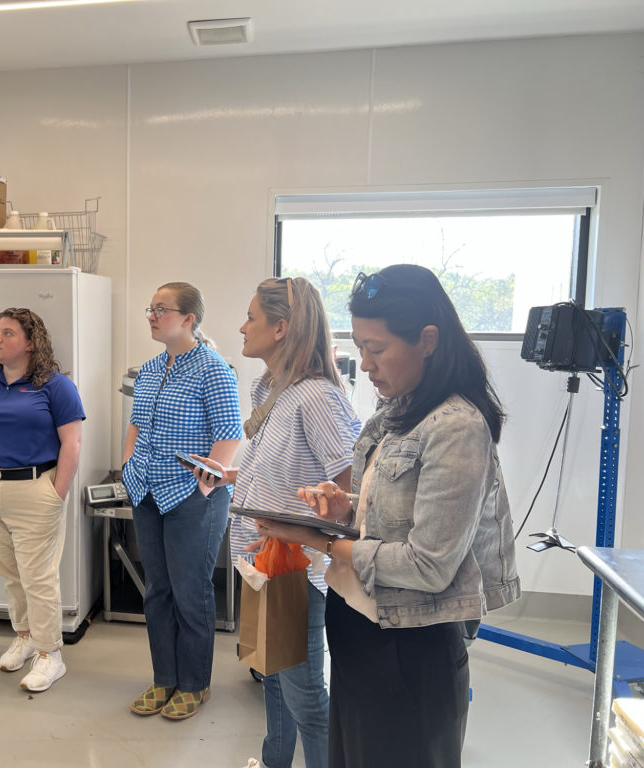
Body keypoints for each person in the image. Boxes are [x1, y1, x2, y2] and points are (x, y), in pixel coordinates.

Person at [255, 265, 521, 767]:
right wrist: (345, 510)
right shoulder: (395, 413)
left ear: (427, 340)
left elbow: (430, 563)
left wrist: (321, 540)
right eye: (359, 347)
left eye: (377, 349)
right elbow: (396, 510)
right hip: (359, 625)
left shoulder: (457, 426)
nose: (366, 364)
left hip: (411, 645)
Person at [194, 277, 360, 768]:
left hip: (295, 566)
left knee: (305, 693)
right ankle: (274, 761)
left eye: (251, 318)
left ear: (281, 327)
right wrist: (235, 476)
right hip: (261, 561)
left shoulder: (317, 397)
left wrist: (308, 527)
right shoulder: (273, 388)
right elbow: (288, 465)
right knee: (271, 672)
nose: (242, 327)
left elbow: (347, 492)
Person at [122, 281, 243, 720]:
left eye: (162, 309)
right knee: (157, 591)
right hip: (147, 490)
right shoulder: (152, 368)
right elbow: (136, 424)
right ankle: (164, 679)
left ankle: (194, 684)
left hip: (193, 496)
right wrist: (128, 463)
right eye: (150, 309)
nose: (152, 316)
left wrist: (206, 483)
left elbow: (229, 434)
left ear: (189, 319)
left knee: (191, 592)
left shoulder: (214, 369)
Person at [0, 307, 84, 693]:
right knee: (11, 573)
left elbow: (72, 444)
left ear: (30, 343)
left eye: (8, 333)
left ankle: (50, 654)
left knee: (38, 576)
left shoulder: (54, 386)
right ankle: (25, 636)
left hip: (33, 490)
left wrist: (55, 492)